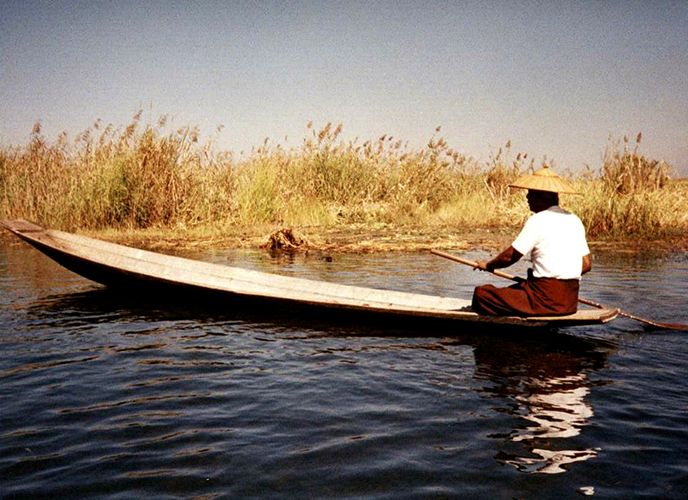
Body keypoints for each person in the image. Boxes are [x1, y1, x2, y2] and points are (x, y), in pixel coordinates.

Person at [472, 165, 592, 317]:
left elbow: (511, 256)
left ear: (541, 197)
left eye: (531, 194)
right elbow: (587, 264)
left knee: (481, 294)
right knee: (516, 288)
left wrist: (489, 265)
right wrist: (560, 275)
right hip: (569, 303)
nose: (527, 198)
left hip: (544, 301)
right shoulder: (574, 220)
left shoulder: (538, 220)